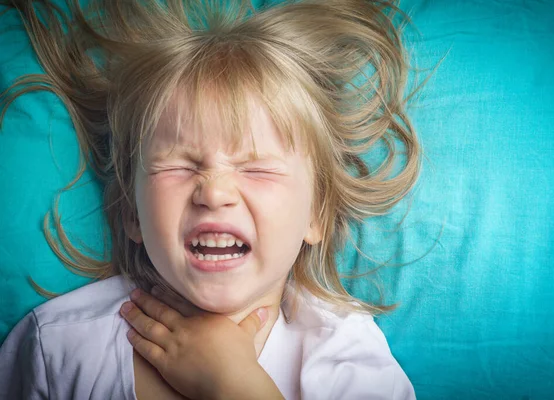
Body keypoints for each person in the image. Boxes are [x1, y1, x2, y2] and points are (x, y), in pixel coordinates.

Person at [0, 0, 421, 398]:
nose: (214, 192)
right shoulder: (58, 348)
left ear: (317, 214)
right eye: (180, 166)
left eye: (256, 167)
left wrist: (237, 388)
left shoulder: (345, 357)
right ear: (131, 210)